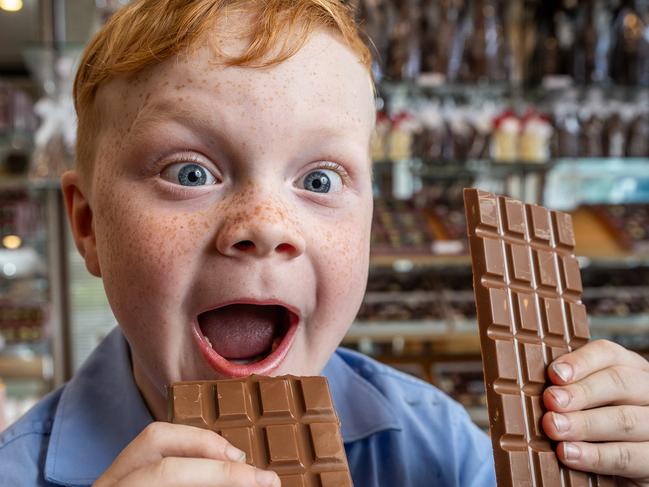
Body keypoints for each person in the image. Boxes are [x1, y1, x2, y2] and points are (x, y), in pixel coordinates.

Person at [2, 1, 649, 485]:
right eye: (190, 172)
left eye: (317, 178)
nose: (265, 223)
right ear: (88, 226)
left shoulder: (440, 450)